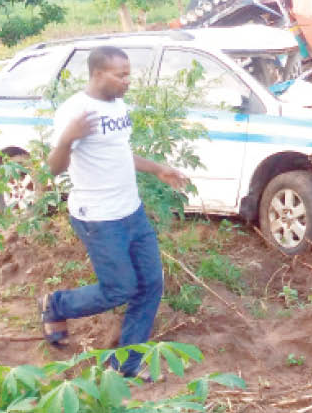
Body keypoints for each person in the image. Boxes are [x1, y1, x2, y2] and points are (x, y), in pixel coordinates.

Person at [39, 46, 187, 379]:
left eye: (128, 74)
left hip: (131, 211)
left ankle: (125, 366)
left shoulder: (117, 105)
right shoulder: (75, 112)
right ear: (97, 73)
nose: (127, 81)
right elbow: (53, 167)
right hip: (98, 218)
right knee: (119, 289)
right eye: (120, 75)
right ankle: (55, 305)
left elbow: (120, 152)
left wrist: (157, 168)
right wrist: (65, 140)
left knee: (151, 285)